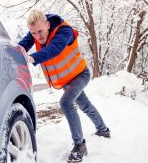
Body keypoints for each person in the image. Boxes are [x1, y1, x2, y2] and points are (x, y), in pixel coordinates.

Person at [18, 9, 110, 162]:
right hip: (67, 80)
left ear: (48, 24)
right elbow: (23, 45)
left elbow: (54, 49)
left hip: (80, 75)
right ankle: (103, 130)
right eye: (33, 33)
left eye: (40, 32)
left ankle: (80, 145)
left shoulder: (64, 31)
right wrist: (15, 50)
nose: (37, 37)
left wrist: (31, 58)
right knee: (85, 105)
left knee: (66, 103)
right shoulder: (35, 31)